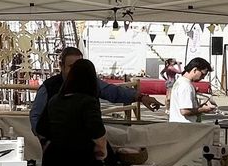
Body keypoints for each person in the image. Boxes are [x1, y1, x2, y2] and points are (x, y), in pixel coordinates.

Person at [30, 47, 158, 138]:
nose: (76, 71)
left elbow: (113, 92)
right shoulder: (48, 87)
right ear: (61, 66)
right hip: (58, 150)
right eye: (71, 67)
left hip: (85, 148)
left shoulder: (91, 83)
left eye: (79, 66)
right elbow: (35, 116)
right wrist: (44, 140)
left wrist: (140, 97)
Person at [168, 57, 217, 122]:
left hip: (178, 125)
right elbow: (184, 111)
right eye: (202, 74)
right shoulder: (186, 85)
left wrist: (199, 106)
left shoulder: (180, 81)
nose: (203, 77)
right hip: (186, 127)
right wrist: (203, 109)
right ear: (195, 70)